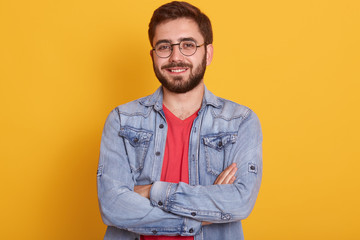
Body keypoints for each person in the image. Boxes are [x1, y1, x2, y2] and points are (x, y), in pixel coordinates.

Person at [97, 1, 262, 239]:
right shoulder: (122, 121)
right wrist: (200, 215)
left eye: (188, 45)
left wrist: (154, 191)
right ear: (153, 56)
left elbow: (239, 202)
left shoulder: (240, 122)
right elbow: (113, 207)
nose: (176, 57)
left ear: (208, 53)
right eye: (164, 46)